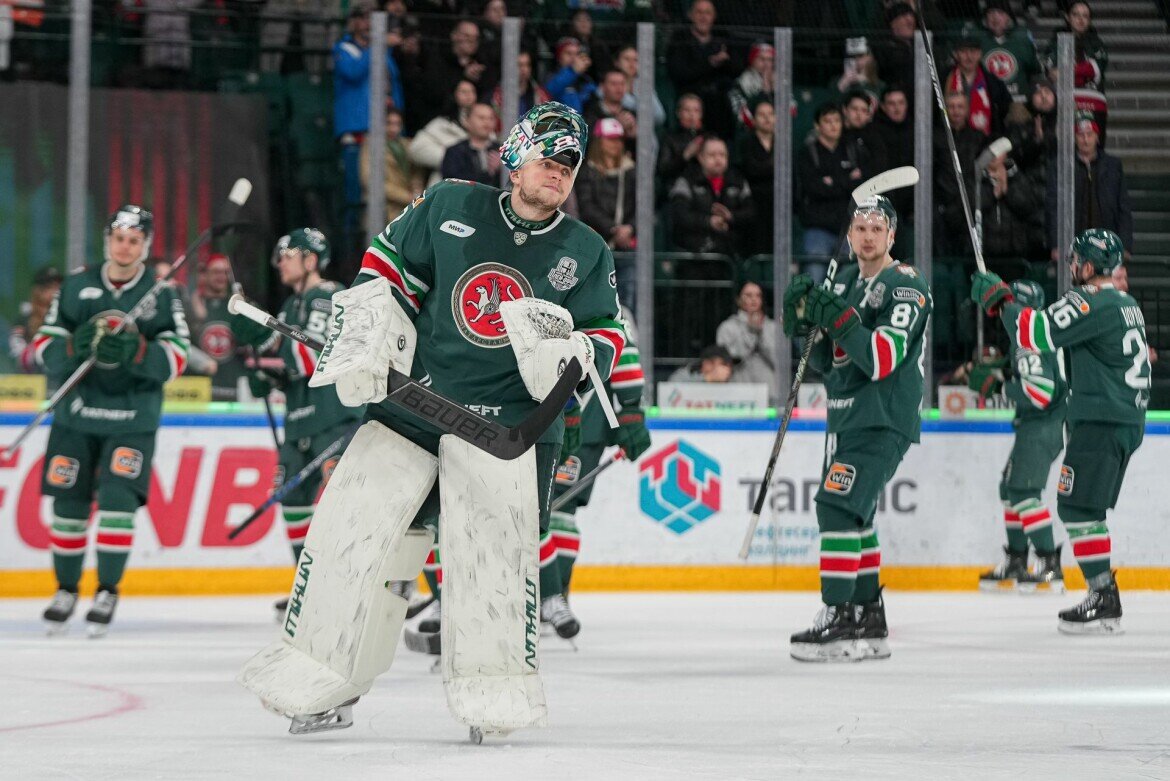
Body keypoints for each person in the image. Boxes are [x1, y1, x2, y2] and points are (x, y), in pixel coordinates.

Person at [238, 102, 625, 735]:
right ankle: (324, 674)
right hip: (416, 407)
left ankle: (493, 689)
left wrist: (576, 355)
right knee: (359, 539)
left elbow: (607, 335)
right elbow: (384, 270)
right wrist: (371, 330)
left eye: (569, 166)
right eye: (548, 159)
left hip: (511, 434)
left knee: (494, 561)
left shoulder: (585, 250)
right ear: (516, 156)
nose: (559, 173)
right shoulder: (450, 205)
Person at [971, 228, 1149, 633]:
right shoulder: (1128, 304)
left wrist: (1003, 302)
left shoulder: (1089, 299)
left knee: (1077, 507)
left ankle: (1103, 597)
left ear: (1088, 266)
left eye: (1075, 261)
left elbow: (1035, 333)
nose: (1071, 267)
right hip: (1123, 416)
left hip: (1102, 419)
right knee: (1083, 507)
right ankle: (1102, 595)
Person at [782, 195, 932, 662]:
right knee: (856, 514)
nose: (868, 235)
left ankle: (840, 615)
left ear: (892, 236)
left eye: (877, 228)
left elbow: (883, 358)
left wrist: (840, 319)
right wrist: (804, 325)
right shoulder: (846, 281)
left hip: (883, 415)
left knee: (836, 505)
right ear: (849, 236)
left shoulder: (905, 285)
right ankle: (869, 616)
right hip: (848, 415)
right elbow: (832, 362)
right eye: (860, 227)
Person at [36, 205, 191, 636]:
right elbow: (43, 345)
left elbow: (178, 355)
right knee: (68, 503)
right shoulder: (77, 285)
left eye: (135, 240)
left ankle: (107, 590)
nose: (126, 247)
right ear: (108, 239)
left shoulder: (161, 293)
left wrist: (139, 353)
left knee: (118, 502)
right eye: (120, 238)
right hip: (76, 413)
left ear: (145, 246)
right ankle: (65, 589)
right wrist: (73, 349)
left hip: (132, 417)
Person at [231, 229, 364, 615]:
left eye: (288, 255)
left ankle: (354, 584)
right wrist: (267, 372)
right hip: (300, 422)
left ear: (310, 258)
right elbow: (286, 357)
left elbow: (311, 358)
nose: (281, 263)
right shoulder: (292, 305)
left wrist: (272, 359)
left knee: (345, 504)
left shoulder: (328, 296)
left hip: (335, 418)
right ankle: (309, 585)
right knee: (293, 502)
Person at [544, 311, 650, 638]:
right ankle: (543, 595)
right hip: (535, 402)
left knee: (561, 510)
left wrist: (631, 409)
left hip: (587, 415)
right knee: (536, 506)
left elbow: (623, 349)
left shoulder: (605, 291)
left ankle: (553, 597)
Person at [973, 280, 1068, 593]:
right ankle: (1016, 560)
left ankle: (1049, 564)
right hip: (1039, 426)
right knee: (1009, 488)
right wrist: (1000, 370)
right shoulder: (1034, 335)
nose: (1003, 312)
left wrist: (997, 386)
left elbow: (1039, 392)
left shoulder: (1028, 341)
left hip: (1041, 426)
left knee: (1024, 494)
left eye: (1008, 306)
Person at [1046, 117, 1133, 262]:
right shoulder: (1061, 165)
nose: (1085, 140)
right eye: (1081, 135)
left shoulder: (1113, 165)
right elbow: (1053, 206)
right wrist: (1056, 244)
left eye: (1089, 135)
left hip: (1107, 243)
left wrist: (1125, 245)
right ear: (1074, 138)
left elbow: (1123, 207)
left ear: (1097, 137)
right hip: (1073, 243)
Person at [796, 102, 864, 284]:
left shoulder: (851, 150)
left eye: (837, 120)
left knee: (849, 284)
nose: (834, 125)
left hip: (848, 228)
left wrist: (831, 182)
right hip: (818, 228)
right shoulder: (807, 153)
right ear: (817, 126)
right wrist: (846, 180)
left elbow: (859, 187)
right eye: (828, 121)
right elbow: (813, 188)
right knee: (815, 280)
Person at [668, 136, 756, 269]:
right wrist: (708, 222)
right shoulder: (686, 180)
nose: (718, 159)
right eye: (712, 155)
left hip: (731, 258)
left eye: (722, 154)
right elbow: (680, 215)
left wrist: (731, 216)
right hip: (694, 258)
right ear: (701, 157)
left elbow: (751, 213)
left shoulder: (738, 181)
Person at [575, 117, 637, 304]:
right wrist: (613, 229)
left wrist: (630, 229)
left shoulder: (631, 171)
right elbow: (587, 207)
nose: (615, 144)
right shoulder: (587, 171)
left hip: (626, 246)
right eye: (610, 139)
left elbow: (641, 206)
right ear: (598, 141)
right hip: (598, 243)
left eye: (619, 139)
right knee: (597, 297)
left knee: (628, 297)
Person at [665, 0, 740, 139]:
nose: (703, 17)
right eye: (699, 12)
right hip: (689, 97)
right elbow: (679, 72)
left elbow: (736, 69)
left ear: (714, 16)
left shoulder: (723, 39)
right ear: (691, 15)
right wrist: (710, 63)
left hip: (718, 106)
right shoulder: (680, 39)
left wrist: (725, 61)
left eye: (708, 13)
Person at [1044, 1, 1108, 139]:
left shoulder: (1097, 43)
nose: (1080, 19)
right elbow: (1051, 71)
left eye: (1085, 16)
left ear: (1089, 20)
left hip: (1094, 104)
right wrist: (1081, 71)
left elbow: (1095, 69)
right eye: (1076, 15)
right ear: (1067, 17)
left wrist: (1067, 71)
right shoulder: (1056, 41)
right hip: (1064, 103)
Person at [189, 254, 248, 401]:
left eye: (226, 272)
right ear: (204, 274)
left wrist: (246, 312)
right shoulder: (190, 306)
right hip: (196, 394)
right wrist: (195, 317)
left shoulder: (238, 306)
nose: (221, 277)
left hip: (234, 392)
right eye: (216, 272)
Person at [965, 0, 1040, 103]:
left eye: (1000, 13)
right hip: (985, 101)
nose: (995, 18)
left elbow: (1035, 72)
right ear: (985, 18)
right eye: (991, 13)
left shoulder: (1022, 38)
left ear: (1008, 17)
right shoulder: (976, 38)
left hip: (1018, 103)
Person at [361, 107, 425, 221]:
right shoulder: (371, 146)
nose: (393, 128)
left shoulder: (406, 145)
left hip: (408, 209)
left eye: (398, 124)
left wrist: (416, 192)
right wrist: (407, 197)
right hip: (384, 209)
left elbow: (416, 172)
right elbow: (371, 181)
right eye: (389, 123)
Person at [716, 281, 777, 400]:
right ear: (738, 300)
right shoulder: (727, 327)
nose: (754, 299)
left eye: (758, 295)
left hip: (769, 392)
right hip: (738, 392)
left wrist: (761, 335)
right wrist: (752, 334)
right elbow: (727, 361)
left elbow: (779, 361)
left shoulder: (773, 327)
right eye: (748, 295)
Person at [409, 79, 477, 188]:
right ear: (454, 95)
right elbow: (416, 149)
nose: (469, 95)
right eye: (463, 92)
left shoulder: (484, 123)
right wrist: (451, 158)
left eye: (472, 91)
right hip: (446, 185)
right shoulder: (441, 124)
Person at [945, 34, 1012, 138]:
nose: (969, 57)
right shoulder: (944, 78)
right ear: (956, 54)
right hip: (951, 139)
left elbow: (1004, 108)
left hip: (985, 140)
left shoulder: (992, 81)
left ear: (980, 54)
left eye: (973, 52)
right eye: (964, 52)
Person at [736, 99, 775, 255]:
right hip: (753, 206)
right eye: (761, 114)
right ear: (753, 118)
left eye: (771, 114)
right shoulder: (745, 143)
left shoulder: (784, 143)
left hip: (777, 206)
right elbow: (749, 169)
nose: (767, 118)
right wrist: (771, 167)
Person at [9, 265, 63, 373]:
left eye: (59, 286)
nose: (56, 291)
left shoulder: (65, 317)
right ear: (38, 291)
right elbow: (19, 356)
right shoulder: (23, 320)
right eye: (50, 287)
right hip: (32, 383)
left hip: (60, 380)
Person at [439, 103, 501, 185]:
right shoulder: (455, 152)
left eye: (491, 118)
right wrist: (488, 173)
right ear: (467, 121)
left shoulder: (501, 150)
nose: (487, 122)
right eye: (481, 118)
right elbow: (451, 182)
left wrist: (503, 169)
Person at [490, 50, 552, 125]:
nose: (524, 69)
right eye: (519, 65)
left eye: (527, 65)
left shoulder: (540, 94)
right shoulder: (497, 95)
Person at [656, 94, 705, 188]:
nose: (692, 114)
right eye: (687, 110)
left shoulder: (707, 138)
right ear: (678, 113)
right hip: (677, 188)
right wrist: (685, 155)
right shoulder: (669, 138)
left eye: (696, 110)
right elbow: (663, 169)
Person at [582, 70, 637, 147]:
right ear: (602, 87)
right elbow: (587, 140)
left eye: (622, 84)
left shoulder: (632, 113)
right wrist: (616, 125)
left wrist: (634, 136)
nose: (619, 88)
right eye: (613, 84)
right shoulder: (590, 111)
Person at [729, 42, 774, 132]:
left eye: (769, 60)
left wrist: (774, 90)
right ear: (752, 60)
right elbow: (742, 116)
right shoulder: (741, 83)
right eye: (762, 59)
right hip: (750, 135)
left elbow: (792, 110)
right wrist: (764, 91)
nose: (766, 64)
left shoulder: (781, 82)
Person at [544, 37, 596, 115]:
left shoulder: (585, 80)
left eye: (577, 54)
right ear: (559, 57)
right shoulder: (550, 76)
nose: (573, 58)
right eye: (568, 53)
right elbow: (548, 92)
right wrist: (572, 71)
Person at [668, 344, 734, 384]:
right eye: (723, 364)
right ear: (707, 364)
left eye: (729, 365)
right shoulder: (684, 375)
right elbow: (671, 392)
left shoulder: (733, 377)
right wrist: (708, 379)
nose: (728, 369)